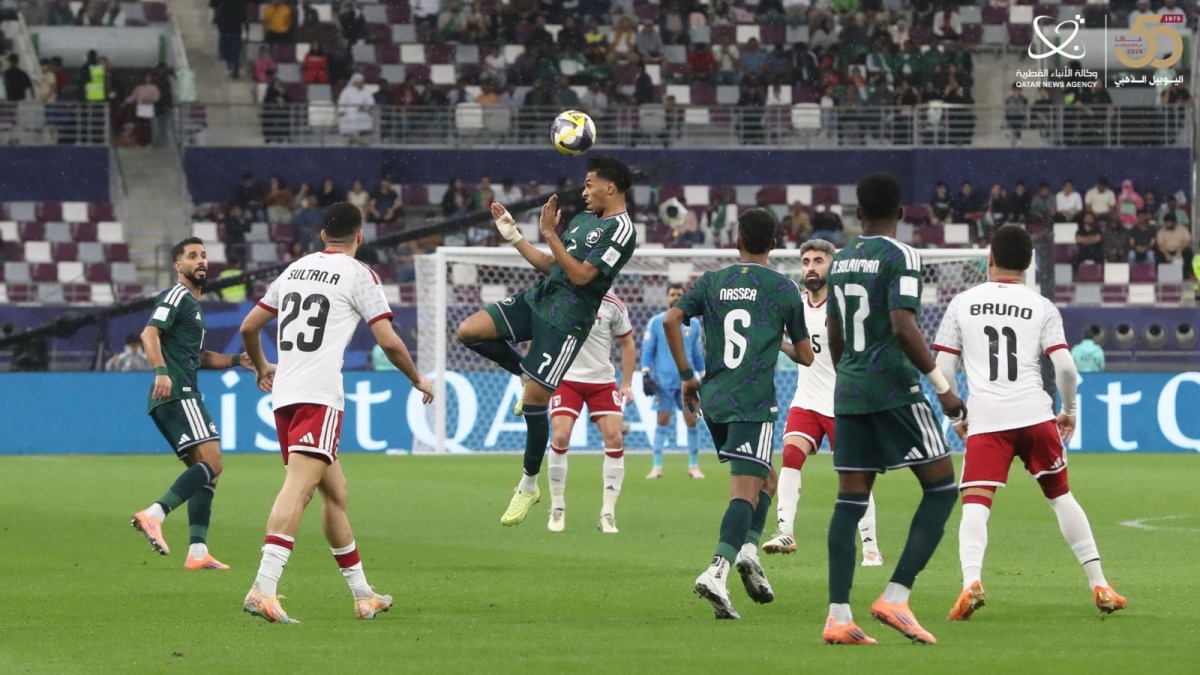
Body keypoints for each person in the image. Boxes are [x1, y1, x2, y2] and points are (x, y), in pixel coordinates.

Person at [238, 203, 434, 623]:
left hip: (286, 395)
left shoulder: (294, 269)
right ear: (359, 236)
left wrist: (262, 366)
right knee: (299, 489)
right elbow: (389, 341)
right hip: (319, 396)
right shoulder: (359, 274)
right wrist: (417, 378)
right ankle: (262, 588)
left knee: (335, 493)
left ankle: (363, 596)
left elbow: (248, 327)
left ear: (323, 235)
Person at [933, 225, 1125, 621]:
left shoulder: (961, 303)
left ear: (989, 258)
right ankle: (1100, 583)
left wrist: (957, 416)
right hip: (1035, 416)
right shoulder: (1042, 306)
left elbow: (943, 369)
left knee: (976, 504)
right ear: (1029, 263)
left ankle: (971, 582)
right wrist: (1069, 410)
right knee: (1061, 497)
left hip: (987, 421)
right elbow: (1066, 368)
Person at [822, 173, 965, 646]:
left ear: (858, 213)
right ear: (901, 213)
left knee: (849, 501)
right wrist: (942, 387)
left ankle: (838, 617)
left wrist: (849, 376)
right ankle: (896, 596)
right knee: (942, 488)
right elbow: (903, 325)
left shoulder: (840, 260)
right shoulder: (902, 256)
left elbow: (834, 330)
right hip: (894, 389)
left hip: (850, 390)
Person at [455, 157, 637, 528]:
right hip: (538, 299)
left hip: (567, 322)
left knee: (537, 401)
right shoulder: (583, 220)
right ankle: (524, 374)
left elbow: (582, 277)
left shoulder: (621, 230)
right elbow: (553, 266)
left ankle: (528, 484)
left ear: (610, 187)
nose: (584, 192)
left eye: (589, 185)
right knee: (468, 330)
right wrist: (514, 237)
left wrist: (550, 234)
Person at [667, 208, 813, 620]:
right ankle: (717, 572)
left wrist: (687, 377)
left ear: (737, 241)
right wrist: (777, 341)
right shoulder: (783, 288)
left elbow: (671, 320)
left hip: (713, 399)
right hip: (752, 402)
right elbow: (806, 355)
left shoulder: (711, 281)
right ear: (776, 243)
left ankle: (749, 550)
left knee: (767, 478)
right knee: (745, 492)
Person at [130, 237, 262, 570]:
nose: (201, 260)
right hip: (178, 392)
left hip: (174, 394)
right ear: (178, 266)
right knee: (213, 462)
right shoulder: (176, 295)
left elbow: (198, 357)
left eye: (203, 255)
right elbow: (149, 333)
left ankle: (198, 551)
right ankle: (154, 515)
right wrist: (161, 371)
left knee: (205, 473)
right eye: (192, 256)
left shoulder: (192, 306)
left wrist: (237, 360)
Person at [761, 240, 882, 566]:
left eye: (818, 261)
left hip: (844, 403)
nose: (811, 267)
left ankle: (870, 546)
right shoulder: (795, 305)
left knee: (853, 475)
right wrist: (781, 344)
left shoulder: (847, 306)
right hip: (807, 399)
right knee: (791, 454)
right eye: (805, 261)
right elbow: (802, 352)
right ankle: (785, 531)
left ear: (833, 265)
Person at [546, 292, 636, 533]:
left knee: (615, 438)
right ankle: (557, 506)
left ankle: (608, 513)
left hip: (602, 381)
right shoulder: (562, 296)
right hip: (566, 379)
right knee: (560, 436)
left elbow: (627, 342)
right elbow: (540, 334)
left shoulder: (613, 304)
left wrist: (626, 383)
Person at [641, 283, 705, 479]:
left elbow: (696, 353)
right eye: (672, 294)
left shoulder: (694, 325)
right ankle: (657, 467)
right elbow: (648, 350)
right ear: (666, 297)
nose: (675, 297)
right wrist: (645, 373)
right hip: (663, 381)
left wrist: (703, 374)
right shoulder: (656, 322)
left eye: (679, 294)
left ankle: (693, 466)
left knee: (691, 420)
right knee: (662, 420)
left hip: (687, 381)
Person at [337, 74, 374, 144]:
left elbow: (371, 102)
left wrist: (364, 107)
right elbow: (342, 102)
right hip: (349, 113)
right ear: (356, 82)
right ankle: (349, 138)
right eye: (361, 82)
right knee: (345, 119)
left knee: (365, 118)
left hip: (362, 113)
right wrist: (341, 111)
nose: (362, 84)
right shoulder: (347, 91)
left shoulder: (366, 91)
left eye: (363, 82)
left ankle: (362, 138)